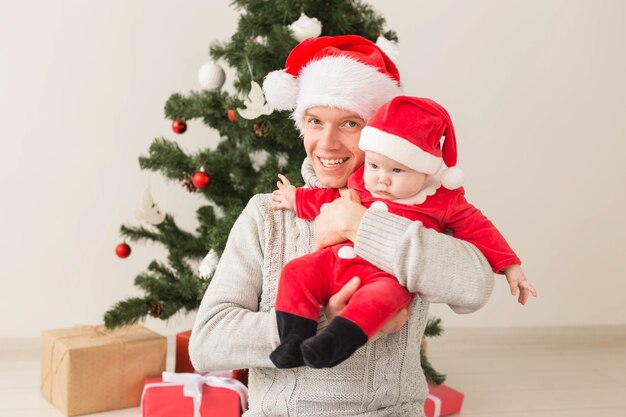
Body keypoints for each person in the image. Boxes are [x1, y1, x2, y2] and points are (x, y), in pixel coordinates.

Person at [189, 35, 494, 416]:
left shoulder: (419, 210)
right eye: (315, 122)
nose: (327, 143)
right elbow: (207, 344)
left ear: (381, 135)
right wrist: (325, 322)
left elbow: (476, 287)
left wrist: (362, 226)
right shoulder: (267, 214)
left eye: (349, 123)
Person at [269, 95, 537, 369]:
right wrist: (295, 198)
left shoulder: (442, 199)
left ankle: (332, 345)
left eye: (397, 170)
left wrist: (510, 266)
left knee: (378, 301)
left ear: (423, 171)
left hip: (386, 277)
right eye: (374, 166)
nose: (381, 179)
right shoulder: (362, 180)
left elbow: (480, 229)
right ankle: (292, 341)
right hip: (336, 261)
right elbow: (328, 200)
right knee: (297, 271)